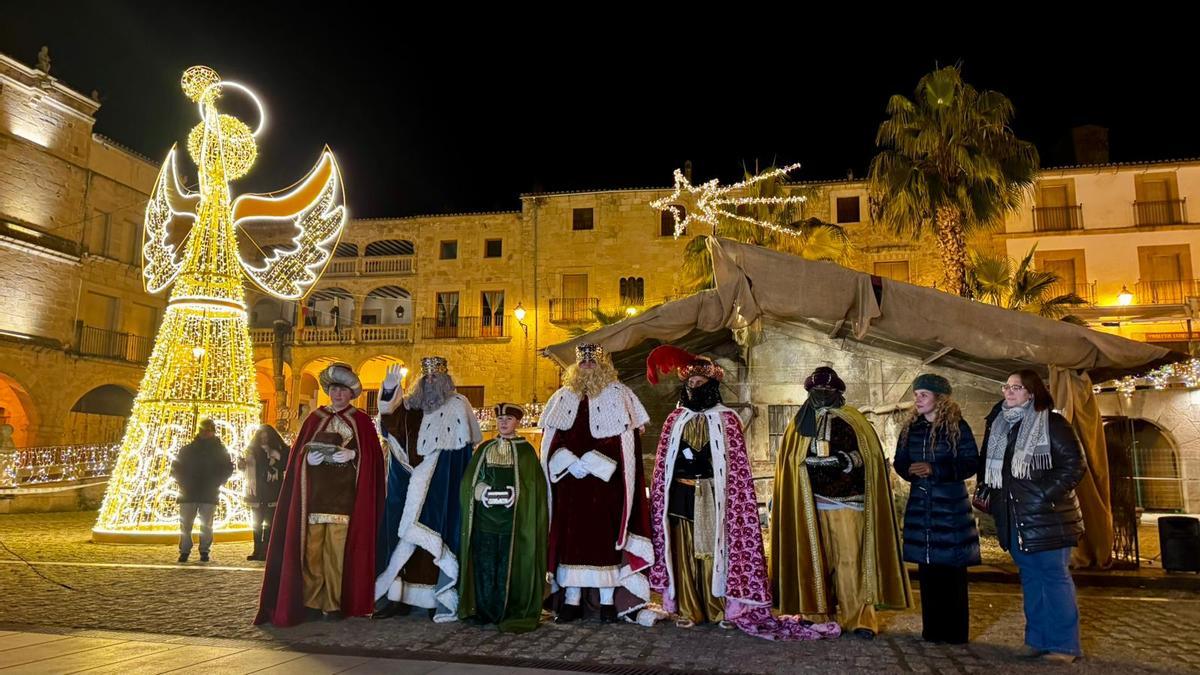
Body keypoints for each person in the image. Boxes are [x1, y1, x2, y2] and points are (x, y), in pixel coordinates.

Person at [646, 346, 840, 641]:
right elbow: (664, 464)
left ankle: (721, 609)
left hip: (716, 497)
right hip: (681, 497)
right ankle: (688, 609)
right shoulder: (675, 420)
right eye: (690, 384)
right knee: (683, 551)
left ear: (712, 386)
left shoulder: (728, 420)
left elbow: (734, 467)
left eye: (700, 383)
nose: (694, 387)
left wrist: (703, 459)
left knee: (716, 551)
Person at [770, 366, 912, 639]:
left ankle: (858, 619)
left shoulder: (853, 420)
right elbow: (789, 461)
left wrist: (846, 461)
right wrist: (805, 465)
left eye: (828, 391)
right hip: (811, 505)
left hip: (848, 502)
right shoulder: (799, 424)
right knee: (813, 561)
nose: (822, 395)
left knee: (850, 562)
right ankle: (815, 614)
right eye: (816, 391)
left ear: (838, 393)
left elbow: (868, 458)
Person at [255, 363, 384, 626]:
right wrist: (307, 460)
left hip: (344, 500)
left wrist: (354, 455)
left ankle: (333, 603)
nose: (337, 394)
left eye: (343, 390)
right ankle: (312, 601)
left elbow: (373, 459)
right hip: (314, 499)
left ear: (351, 393)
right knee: (312, 553)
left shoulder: (361, 421)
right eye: (334, 389)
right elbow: (297, 456)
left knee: (336, 554)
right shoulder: (315, 418)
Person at [540, 343, 654, 623]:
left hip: (607, 486)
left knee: (604, 542)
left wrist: (593, 463)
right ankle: (571, 601)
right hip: (570, 485)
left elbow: (625, 444)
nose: (588, 366)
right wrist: (568, 462)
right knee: (571, 541)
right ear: (576, 366)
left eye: (593, 362)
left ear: (604, 366)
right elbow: (552, 440)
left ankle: (606, 603)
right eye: (584, 362)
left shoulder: (620, 394)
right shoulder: (562, 396)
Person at [978, 369, 1085, 664]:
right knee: (1030, 579)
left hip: (1047, 517)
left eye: (1017, 387)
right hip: (1014, 518)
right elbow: (988, 466)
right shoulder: (999, 425)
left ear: (1032, 393)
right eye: (1007, 387)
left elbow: (1074, 466)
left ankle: (1064, 645)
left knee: (1054, 578)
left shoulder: (1052, 422)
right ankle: (1037, 639)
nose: (1009, 392)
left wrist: (1044, 495)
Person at [374, 357, 481, 622]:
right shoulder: (410, 406)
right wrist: (389, 392)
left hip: (439, 486)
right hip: (407, 482)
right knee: (400, 537)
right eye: (427, 377)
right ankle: (398, 599)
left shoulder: (458, 405)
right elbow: (391, 426)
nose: (430, 381)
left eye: (436, 377)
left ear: (446, 380)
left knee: (435, 539)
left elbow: (462, 453)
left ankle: (436, 595)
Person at [893, 374, 980, 644]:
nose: (917, 399)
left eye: (923, 394)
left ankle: (955, 633)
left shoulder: (958, 427)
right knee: (928, 569)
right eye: (916, 394)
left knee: (952, 571)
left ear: (939, 398)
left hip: (950, 507)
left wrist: (936, 469)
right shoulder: (911, 429)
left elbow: (970, 463)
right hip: (922, 505)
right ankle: (932, 630)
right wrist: (908, 470)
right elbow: (900, 460)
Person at [457, 403, 548, 632]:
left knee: (508, 567)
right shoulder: (485, 449)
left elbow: (533, 486)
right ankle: (485, 611)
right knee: (485, 567)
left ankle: (507, 611)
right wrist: (482, 492)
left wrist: (519, 494)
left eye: (508, 418)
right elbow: (471, 481)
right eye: (500, 419)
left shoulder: (526, 451)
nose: (504, 422)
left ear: (517, 422)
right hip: (485, 521)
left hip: (513, 523)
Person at [172, 418, 234, 563]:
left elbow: (228, 468)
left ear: (213, 431)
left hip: (209, 491)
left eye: (207, 430)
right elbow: (176, 467)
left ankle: (204, 550)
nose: (204, 433)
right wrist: (182, 482)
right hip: (189, 491)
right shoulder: (187, 449)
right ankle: (185, 550)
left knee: (206, 524)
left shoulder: (220, 450)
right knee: (186, 524)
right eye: (202, 430)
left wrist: (218, 482)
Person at [240, 424, 290, 561]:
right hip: (256, 491)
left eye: (266, 436)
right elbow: (249, 469)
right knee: (256, 523)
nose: (264, 439)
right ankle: (257, 550)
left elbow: (287, 465)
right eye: (261, 436)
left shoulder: (281, 450)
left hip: (273, 490)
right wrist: (242, 466)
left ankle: (267, 550)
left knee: (269, 523)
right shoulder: (252, 451)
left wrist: (276, 461)